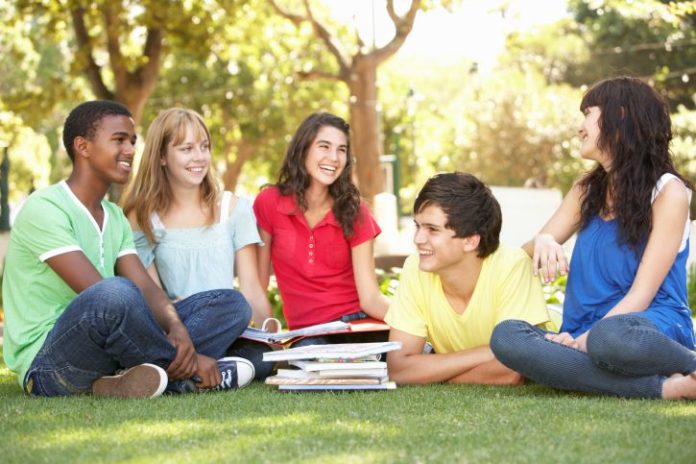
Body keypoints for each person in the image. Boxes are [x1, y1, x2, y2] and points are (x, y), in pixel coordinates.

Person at [2, 100, 254, 399]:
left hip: (112, 347)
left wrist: (176, 327)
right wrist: (189, 354)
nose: (132, 150)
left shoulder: (114, 216)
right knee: (115, 293)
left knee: (230, 304)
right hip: (50, 361)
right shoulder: (45, 208)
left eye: (133, 141)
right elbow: (100, 294)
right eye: (119, 140)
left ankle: (129, 379)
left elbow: (146, 288)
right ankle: (189, 372)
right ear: (82, 146)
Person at [490, 76, 696, 399]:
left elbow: (641, 295)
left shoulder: (668, 192)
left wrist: (587, 339)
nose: (580, 127)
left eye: (588, 113)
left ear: (621, 117)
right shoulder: (586, 190)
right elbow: (526, 253)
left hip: (643, 330)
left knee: (609, 339)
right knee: (506, 337)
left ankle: (689, 363)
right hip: (583, 333)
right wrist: (544, 239)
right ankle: (667, 387)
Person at [120, 107, 274, 379]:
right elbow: (152, 296)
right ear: (162, 157)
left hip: (227, 322)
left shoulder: (233, 208)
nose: (199, 157)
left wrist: (276, 342)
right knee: (234, 305)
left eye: (204, 147)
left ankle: (174, 372)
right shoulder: (143, 217)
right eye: (187, 148)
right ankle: (194, 367)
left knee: (260, 355)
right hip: (177, 323)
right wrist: (176, 319)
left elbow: (251, 288)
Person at [385, 172, 553, 385]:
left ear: (470, 240)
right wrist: (489, 353)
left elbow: (512, 372)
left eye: (432, 230)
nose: (418, 239)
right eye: (418, 226)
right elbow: (399, 369)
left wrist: (431, 367)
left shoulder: (512, 265)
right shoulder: (415, 267)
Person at [253, 112, 389, 345]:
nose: (334, 157)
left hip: (358, 325)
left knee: (410, 356)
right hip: (310, 335)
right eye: (324, 146)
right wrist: (269, 341)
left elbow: (370, 299)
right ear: (303, 149)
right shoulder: (269, 203)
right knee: (318, 369)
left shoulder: (356, 212)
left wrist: (416, 323)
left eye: (341, 150)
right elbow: (258, 286)